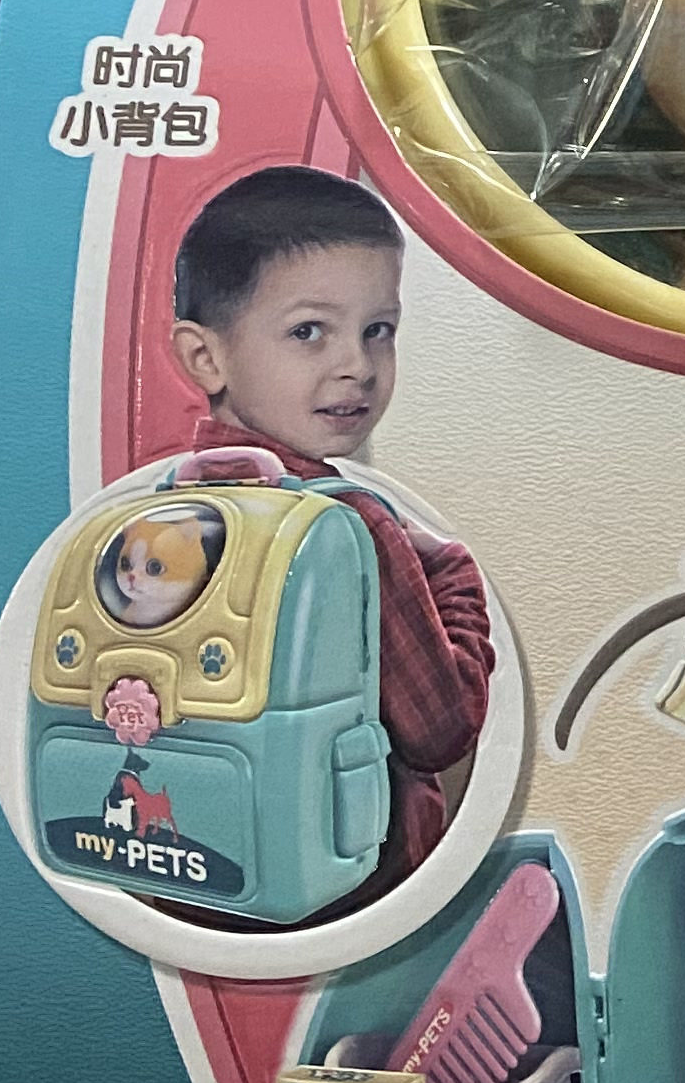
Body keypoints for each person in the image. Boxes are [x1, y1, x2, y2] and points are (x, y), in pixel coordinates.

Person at [166, 167, 492, 882]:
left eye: (379, 331)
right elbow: (440, 731)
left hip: (203, 857)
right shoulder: (349, 526)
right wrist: (454, 579)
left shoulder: (165, 507)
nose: (357, 365)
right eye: (309, 331)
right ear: (205, 356)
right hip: (354, 881)